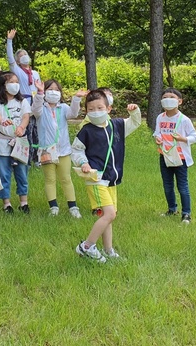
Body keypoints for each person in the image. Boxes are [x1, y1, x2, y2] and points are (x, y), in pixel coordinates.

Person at [71, 90, 141, 263]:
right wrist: (83, 163)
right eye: (91, 109)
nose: (96, 111)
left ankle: (108, 250)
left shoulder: (117, 125)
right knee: (109, 215)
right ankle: (86, 247)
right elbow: (77, 150)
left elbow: (135, 122)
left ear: (109, 108)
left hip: (111, 179)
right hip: (96, 179)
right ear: (86, 111)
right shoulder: (86, 131)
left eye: (99, 107)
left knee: (108, 216)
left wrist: (134, 111)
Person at [31, 79, 85, 218]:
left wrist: (76, 98)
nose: (53, 92)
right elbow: (35, 108)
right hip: (46, 151)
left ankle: (73, 207)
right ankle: (53, 207)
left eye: (56, 89)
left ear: (60, 93)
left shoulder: (64, 108)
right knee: (50, 179)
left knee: (66, 179)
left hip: (64, 151)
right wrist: (40, 93)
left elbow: (73, 113)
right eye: (50, 89)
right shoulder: (41, 109)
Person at [152, 88, 196, 222]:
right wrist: (157, 138)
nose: (168, 99)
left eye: (172, 97)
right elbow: (157, 132)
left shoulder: (184, 120)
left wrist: (182, 139)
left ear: (179, 101)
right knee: (167, 185)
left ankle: (186, 213)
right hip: (165, 156)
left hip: (180, 158)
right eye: (165, 97)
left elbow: (195, 137)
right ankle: (172, 209)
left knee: (182, 186)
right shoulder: (160, 117)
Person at [0, 71, 31, 214]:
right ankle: (6, 203)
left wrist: (21, 127)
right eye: (11, 82)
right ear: (3, 85)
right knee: (4, 174)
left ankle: (24, 202)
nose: (15, 85)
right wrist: (2, 120)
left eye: (16, 82)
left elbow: (26, 116)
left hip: (19, 143)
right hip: (2, 144)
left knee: (22, 173)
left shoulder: (22, 101)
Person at [5, 29, 41, 165]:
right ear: (18, 60)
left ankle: (37, 157)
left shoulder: (35, 73)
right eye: (21, 56)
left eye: (25, 54)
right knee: (27, 129)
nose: (24, 56)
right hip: (24, 102)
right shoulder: (17, 71)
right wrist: (9, 41)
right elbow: (9, 58)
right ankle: (25, 156)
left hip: (36, 102)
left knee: (37, 131)